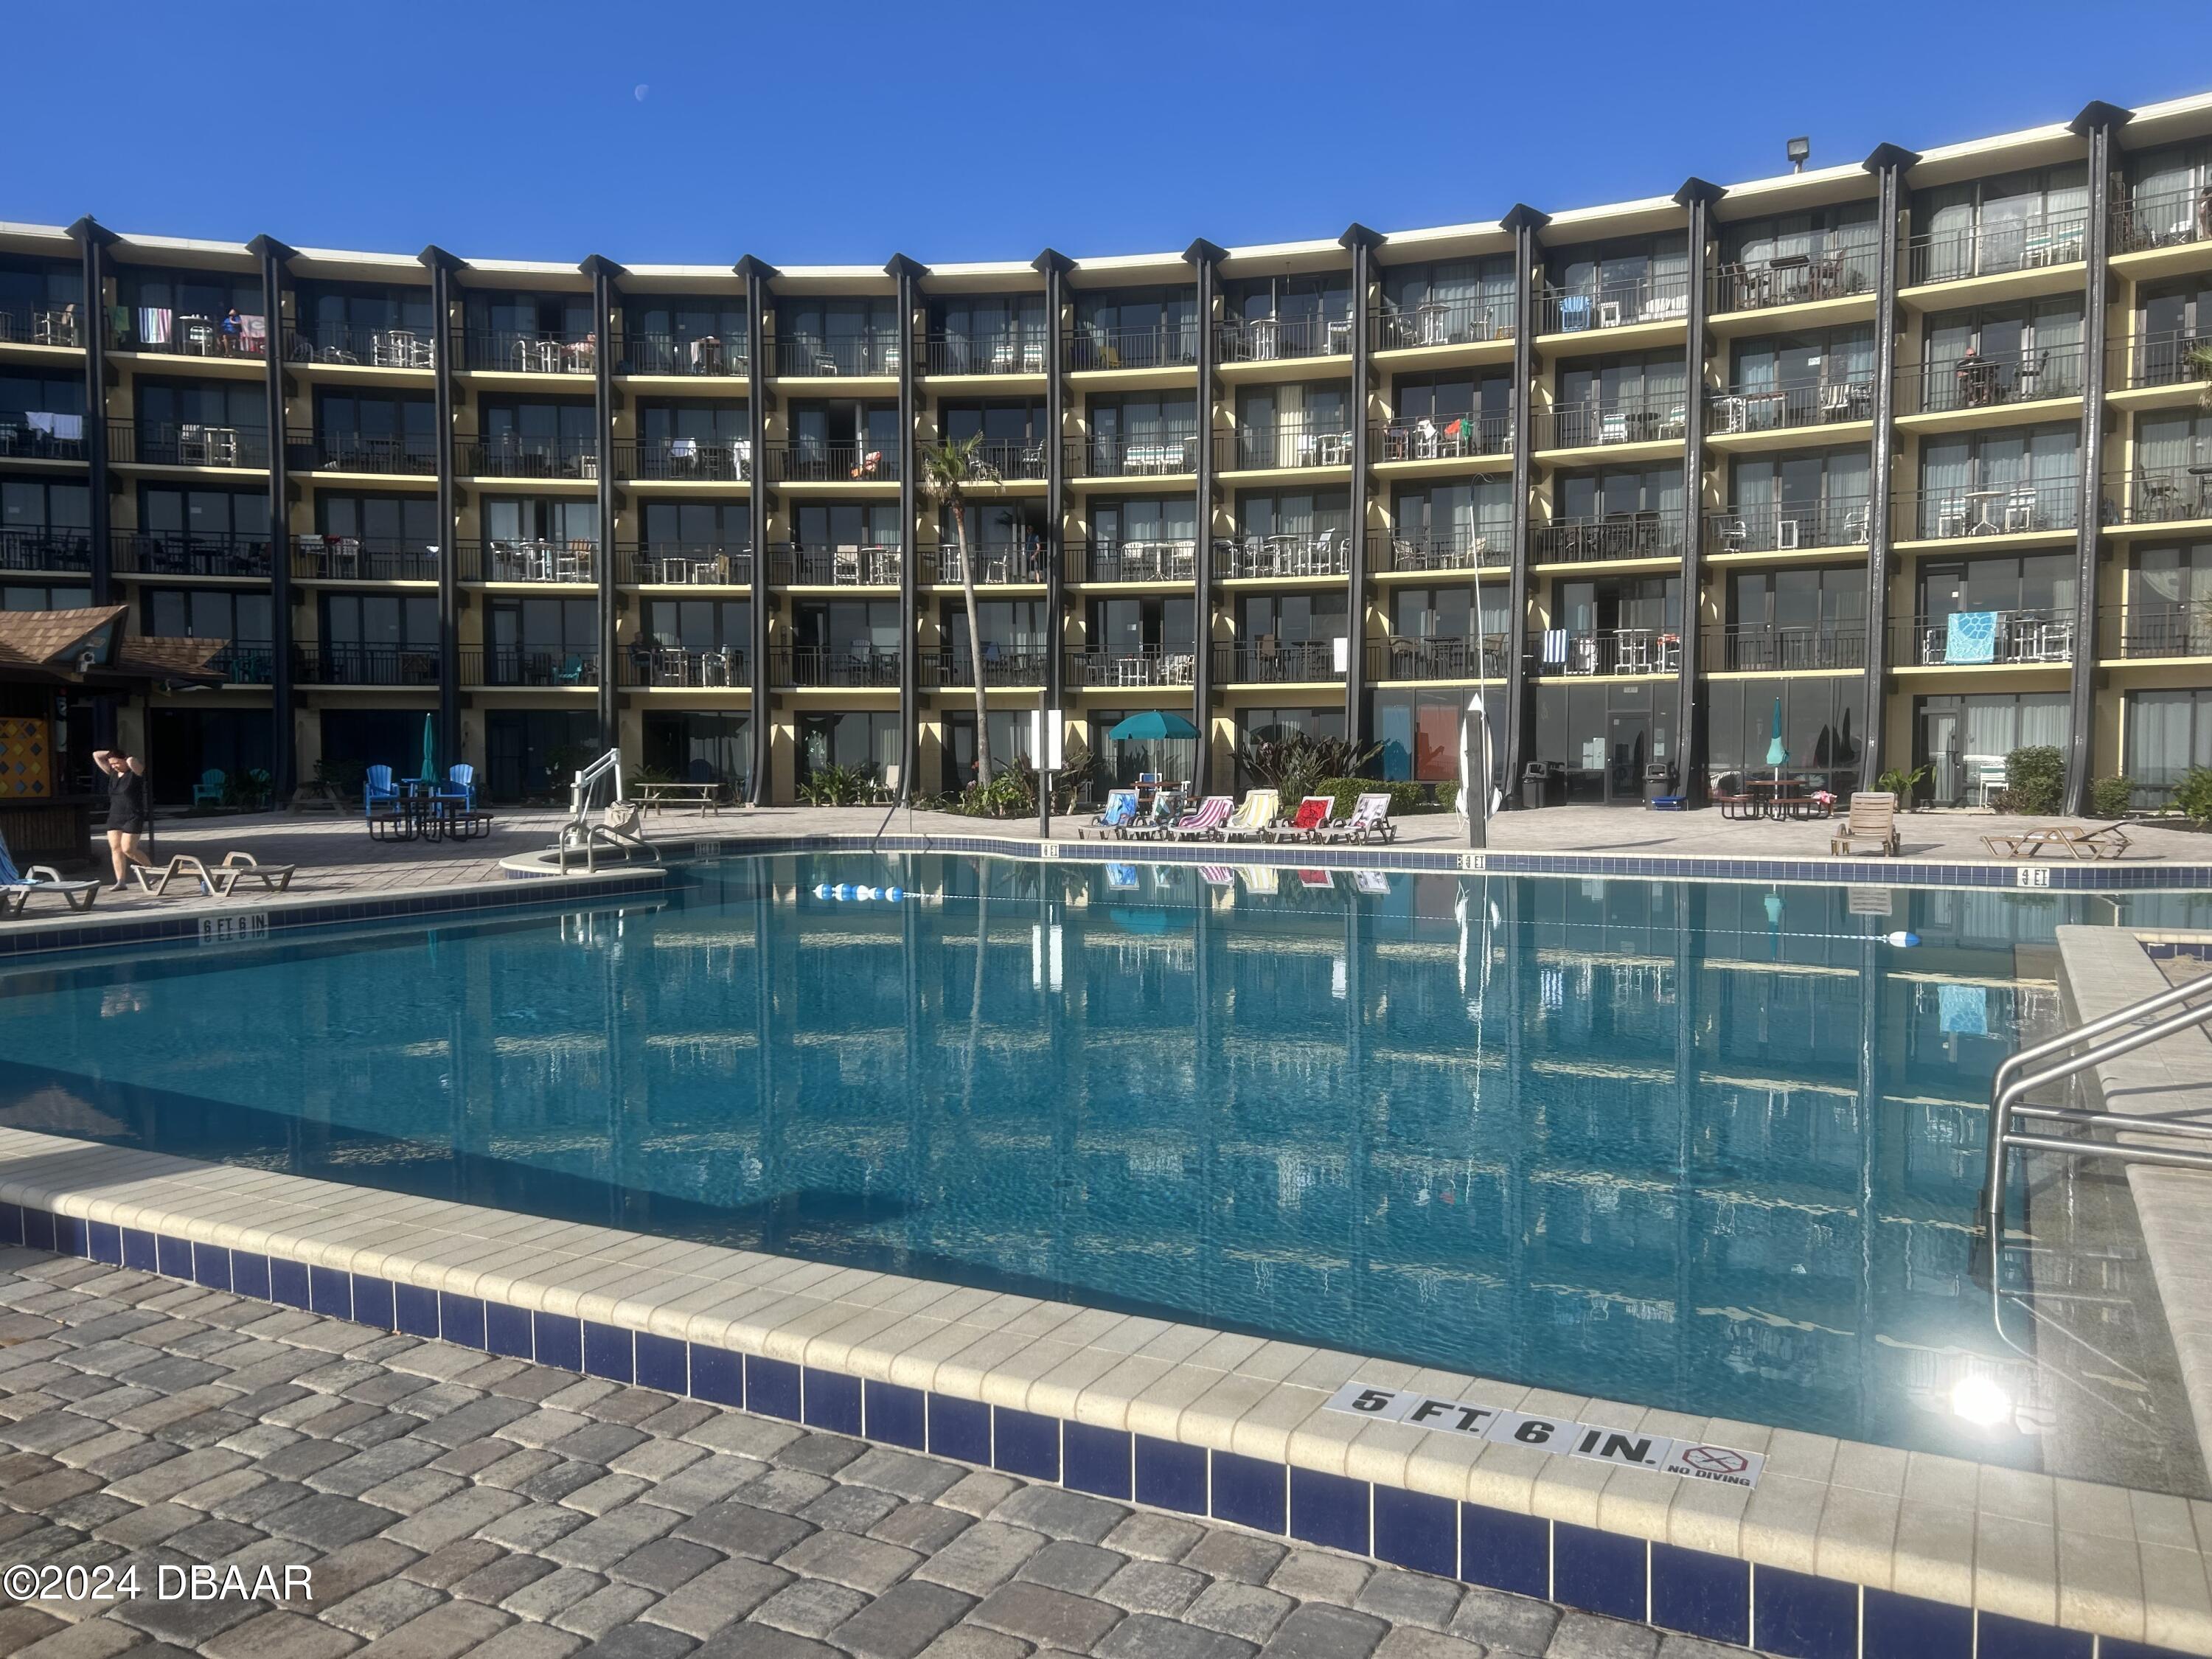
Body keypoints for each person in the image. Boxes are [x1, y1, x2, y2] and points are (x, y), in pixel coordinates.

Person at [93, 748, 153, 891]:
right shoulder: (113, 773)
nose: (114, 766)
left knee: (128, 849)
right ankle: (121, 881)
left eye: (117, 763)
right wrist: (112, 754)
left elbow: (132, 761)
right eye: (112, 763)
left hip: (133, 816)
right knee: (116, 849)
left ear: (124, 760)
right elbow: (96, 755)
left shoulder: (135, 772)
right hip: (115, 816)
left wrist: (125, 756)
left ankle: (152, 870)